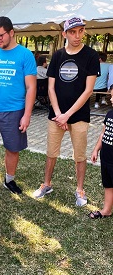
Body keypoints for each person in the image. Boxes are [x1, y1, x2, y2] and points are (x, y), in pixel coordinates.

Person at [33, 17, 100, 206]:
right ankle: (46, 184)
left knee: (80, 155)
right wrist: (58, 113)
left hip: (78, 116)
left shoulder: (91, 56)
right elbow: (50, 88)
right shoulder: (58, 55)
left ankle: (80, 189)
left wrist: (67, 115)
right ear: (65, 34)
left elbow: (88, 91)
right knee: (51, 152)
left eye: (80, 31)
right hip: (56, 115)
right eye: (72, 32)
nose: (77, 36)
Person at [0, 16, 37, 193]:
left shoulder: (25, 55)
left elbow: (31, 87)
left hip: (14, 111)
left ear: (11, 32)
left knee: (12, 148)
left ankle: (9, 180)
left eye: (0, 36)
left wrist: (26, 115)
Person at [89, 84, 113, 219]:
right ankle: (106, 210)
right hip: (106, 158)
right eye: (111, 96)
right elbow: (103, 133)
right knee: (108, 184)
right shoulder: (109, 114)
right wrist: (96, 150)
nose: (111, 99)